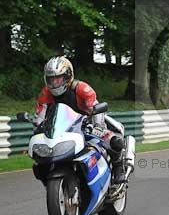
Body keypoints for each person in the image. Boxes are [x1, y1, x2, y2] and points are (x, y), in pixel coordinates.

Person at [34, 56, 127, 184]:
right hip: (63, 128)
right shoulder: (46, 93)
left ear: (68, 76)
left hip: (86, 124)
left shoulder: (81, 88)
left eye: (58, 78)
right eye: (51, 79)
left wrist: (98, 125)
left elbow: (94, 106)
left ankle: (119, 168)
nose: (54, 83)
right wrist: (38, 126)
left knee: (114, 141)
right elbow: (41, 114)